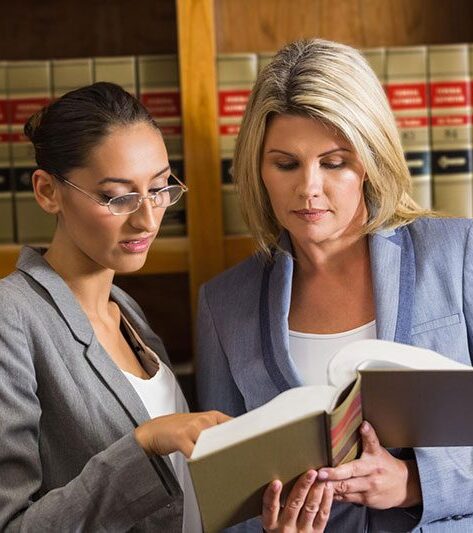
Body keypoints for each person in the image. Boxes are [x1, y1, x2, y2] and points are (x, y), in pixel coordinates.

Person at [195, 39, 473, 532]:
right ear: (257, 169)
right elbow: (222, 491)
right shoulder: (224, 303)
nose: (308, 187)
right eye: (285, 164)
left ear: (370, 160)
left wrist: (413, 482)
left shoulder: (458, 253)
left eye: (334, 163)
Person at [0, 82, 333, 532]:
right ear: (46, 191)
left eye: (159, 188)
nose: (148, 218)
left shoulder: (128, 313)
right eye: (118, 197)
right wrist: (143, 445)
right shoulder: (12, 317)